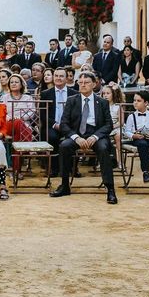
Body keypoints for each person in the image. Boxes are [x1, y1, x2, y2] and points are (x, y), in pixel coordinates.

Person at [50, 71, 118, 204]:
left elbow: (108, 125)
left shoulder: (102, 102)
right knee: (64, 146)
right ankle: (64, 185)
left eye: (86, 83)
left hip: (96, 134)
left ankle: (110, 189)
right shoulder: (72, 101)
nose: (83, 85)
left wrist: (95, 136)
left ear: (94, 84)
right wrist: (76, 137)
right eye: (80, 83)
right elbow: (64, 124)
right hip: (77, 134)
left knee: (104, 148)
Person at [40, 67, 77, 177]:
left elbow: (77, 114)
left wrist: (67, 126)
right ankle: (53, 168)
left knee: (73, 137)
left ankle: (72, 167)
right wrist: (55, 124)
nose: (58, 78)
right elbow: (42, 114)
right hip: (52, 125)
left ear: (66, 78)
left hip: (69, 126)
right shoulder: (46, 93)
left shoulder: (74, 93)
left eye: (61, 76)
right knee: (52, 137)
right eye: (56, 76)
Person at [2, 73, 35, 144]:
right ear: (9, 85)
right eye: (11, 82)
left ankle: (16, 153)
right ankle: (29, 148)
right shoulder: (4, 97)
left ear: (21, 85)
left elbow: (32, 112)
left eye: (16, 82)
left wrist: (20, 118)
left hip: (24, 123)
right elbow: (1, 111)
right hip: (8, 124)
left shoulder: (28, 97)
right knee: (18, 123)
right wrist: (8, 117)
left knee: (19, 123)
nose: (14, 84)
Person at [100, 83, 124, 167]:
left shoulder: (117, 107)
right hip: (104, 127)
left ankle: (120, 161)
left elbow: (121, 122)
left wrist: (112, 126)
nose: (105, 95)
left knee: (118, 136)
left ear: (113, 94)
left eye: (108, 93)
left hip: (115, 127)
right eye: (104, 93)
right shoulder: (100, 106)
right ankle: (101, 161)